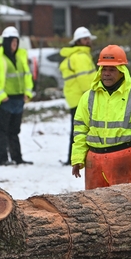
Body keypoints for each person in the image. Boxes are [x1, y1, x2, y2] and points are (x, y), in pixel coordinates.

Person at [71, 45, 131, 189]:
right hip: (94, 162)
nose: (107, 73)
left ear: (122, 71)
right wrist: (78, 158)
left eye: (112, 69)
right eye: (104, 69)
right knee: (95, 208)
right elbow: (80, 130)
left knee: (128, 207)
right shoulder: (88, 97)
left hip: (124, 160)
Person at [0, 26, 34, 166]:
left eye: (16, 41)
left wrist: (28, 93)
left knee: (14, 131)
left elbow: (27, 76)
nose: (15, 44)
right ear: (6, 42)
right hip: (5, 101)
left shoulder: (20, 58)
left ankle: (17, 158)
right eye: (12, 41)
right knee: (2, 131)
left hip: (18, 100)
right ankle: (3, 159)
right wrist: (2, 96)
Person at [59, 26, 97, 165]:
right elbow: (84, 80)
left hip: (76, 98)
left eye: (89, 38)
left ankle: (73, 157)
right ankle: (75, 158)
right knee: (80, 131)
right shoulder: (80, 56)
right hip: (81, 98)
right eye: (85, 39)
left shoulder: (79, 55)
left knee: (78, 129)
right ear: (78, 41)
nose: (88, 41)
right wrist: (93, 95)